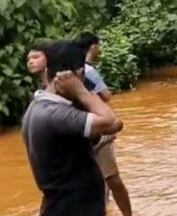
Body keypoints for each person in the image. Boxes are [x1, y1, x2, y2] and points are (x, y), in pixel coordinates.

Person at [22, 39, 123, 216]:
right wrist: (80, 91)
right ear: (78, 74)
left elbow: (112, 126)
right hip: (72, 208)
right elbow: (112, 120)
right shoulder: (56, 113)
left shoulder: (39, 106)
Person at [74, 32, 132, 216]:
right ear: (92, 46)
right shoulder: (88, 71)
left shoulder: (74, 70)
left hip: (81, 127)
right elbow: (106, 96)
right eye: (99, 45)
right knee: (112, 179)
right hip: (98, 125)